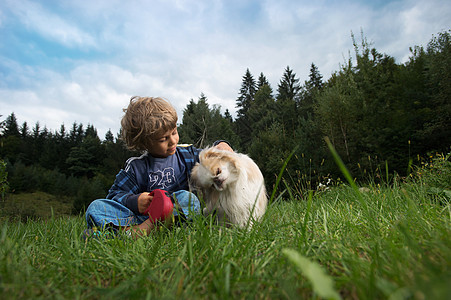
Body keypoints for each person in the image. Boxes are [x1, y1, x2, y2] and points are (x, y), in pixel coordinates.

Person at [84, 96, 232, 239]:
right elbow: (115, 195)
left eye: (174, 132)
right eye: (163, 139)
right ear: (144, 143)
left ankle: (125, 234)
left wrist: (220, 145)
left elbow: (207, 156)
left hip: (176, 215)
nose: (173, 141)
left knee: (188, 199)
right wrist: (135, 200)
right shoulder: (136, 167)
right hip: (143, 218)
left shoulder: (186, 155)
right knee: (96, 207)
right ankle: (139, 231)